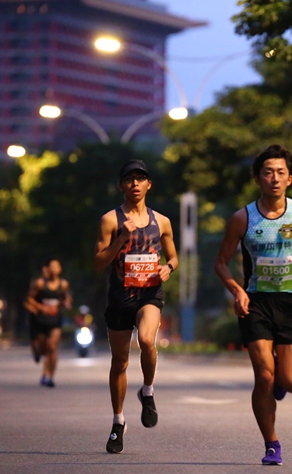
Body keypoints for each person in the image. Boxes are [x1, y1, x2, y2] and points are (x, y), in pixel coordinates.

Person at [214, 145, 292, 466]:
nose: (274, 179)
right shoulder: (242, 218)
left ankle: (280, 381)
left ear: (289, 178)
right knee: (263, 376)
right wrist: (237, 290)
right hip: (256, 303)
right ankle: (271, 443)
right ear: (257, 178)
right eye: (267, 172)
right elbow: (220, 262)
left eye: (280, 173)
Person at [94, 159, 178, 454]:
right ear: (121, 186)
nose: (135, 184)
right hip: (120, 296)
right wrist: (121, 239)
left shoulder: (162, 221)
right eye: (129, 179)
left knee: (146, 340)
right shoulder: (110, 220)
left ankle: (148, 390)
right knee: (119, 362)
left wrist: (168, 268)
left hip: (149, 294)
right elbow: (98, 263)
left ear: (148, 184)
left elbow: (173, 257)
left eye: (140, 179)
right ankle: (118, 422)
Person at [25, 258, 72, 387]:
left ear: (60, 269)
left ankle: (50, 376)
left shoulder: (63, 284)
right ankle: (37, 353)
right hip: (40, 321)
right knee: (42, 349)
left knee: (52, 346)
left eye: (56, 267)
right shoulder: (40, 284)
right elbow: (29, 299)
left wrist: (66, 304)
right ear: (48, 269)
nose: (54, 269)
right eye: (51, 267)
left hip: (55, 320)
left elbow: (66, 298)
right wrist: (40, 307)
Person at [25, 262, 50, 364]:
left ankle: (45, 353)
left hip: (48, 318)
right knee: (35, 339)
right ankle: (36, 351)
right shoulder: (38, 284)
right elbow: (28, 300)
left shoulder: (56, 285)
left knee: (46, 340)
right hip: (36, 317)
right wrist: (37, 309)